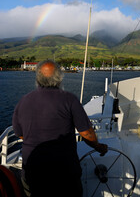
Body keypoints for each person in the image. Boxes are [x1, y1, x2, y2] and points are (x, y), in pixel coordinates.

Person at [12, 60, 108, 197]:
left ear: (38, 79)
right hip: (64, 173)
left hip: (33, 171)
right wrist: (99, 147)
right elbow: (86, 133)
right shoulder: (69, 99)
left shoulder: (23, 101)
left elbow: (19, 133)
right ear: (59, 78)